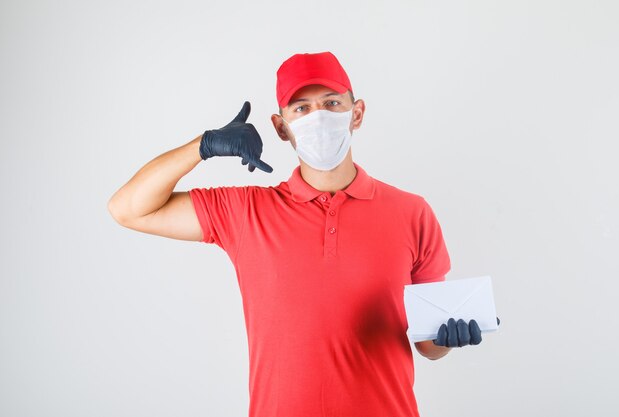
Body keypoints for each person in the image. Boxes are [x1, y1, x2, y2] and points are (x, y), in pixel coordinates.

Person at [108, 51, 495, 417]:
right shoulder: (246, 211)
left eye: (332, 104)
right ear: (281, 127)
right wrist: (204, 146)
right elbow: (128, 208)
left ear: (356, 114)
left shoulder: (412, 212)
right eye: (302, 109)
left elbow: (428, 345)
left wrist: (447, 339)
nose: (319, 117)